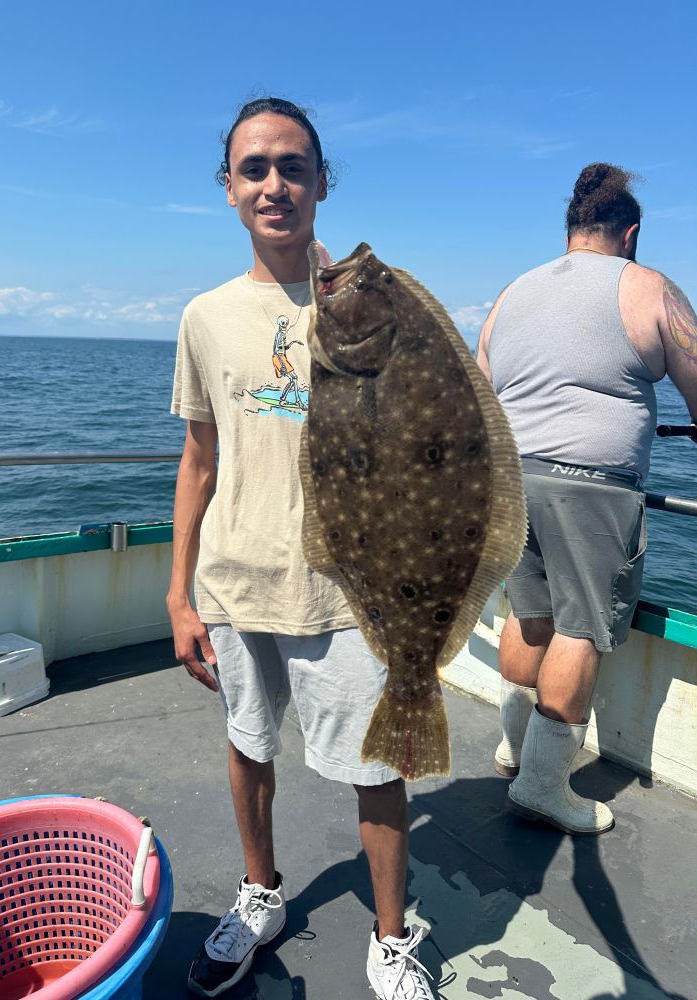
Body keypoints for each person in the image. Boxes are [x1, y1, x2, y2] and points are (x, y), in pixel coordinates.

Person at [167, 97, 436, 999]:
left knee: (379, 764)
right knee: (249, 745)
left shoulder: (377, 303)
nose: (275, 184)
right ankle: (260, 893)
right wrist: (178, 595)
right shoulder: (204, 316)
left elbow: (429, 443)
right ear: (230, 190)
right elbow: (200, 457)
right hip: (237, 582)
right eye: (255, 168)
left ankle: (391, 937)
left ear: (323, 182)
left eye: (293, 166)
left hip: (351, 587)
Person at [476, 163, 697, 836]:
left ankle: (515, 750)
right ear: (630, 234)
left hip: (510, 477)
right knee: (581, 628)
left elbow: (482, 396)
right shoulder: (649, 288)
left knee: (531, 613)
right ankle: (545, 786)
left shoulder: (513, 294)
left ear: (572, 231)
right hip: (592, 485)